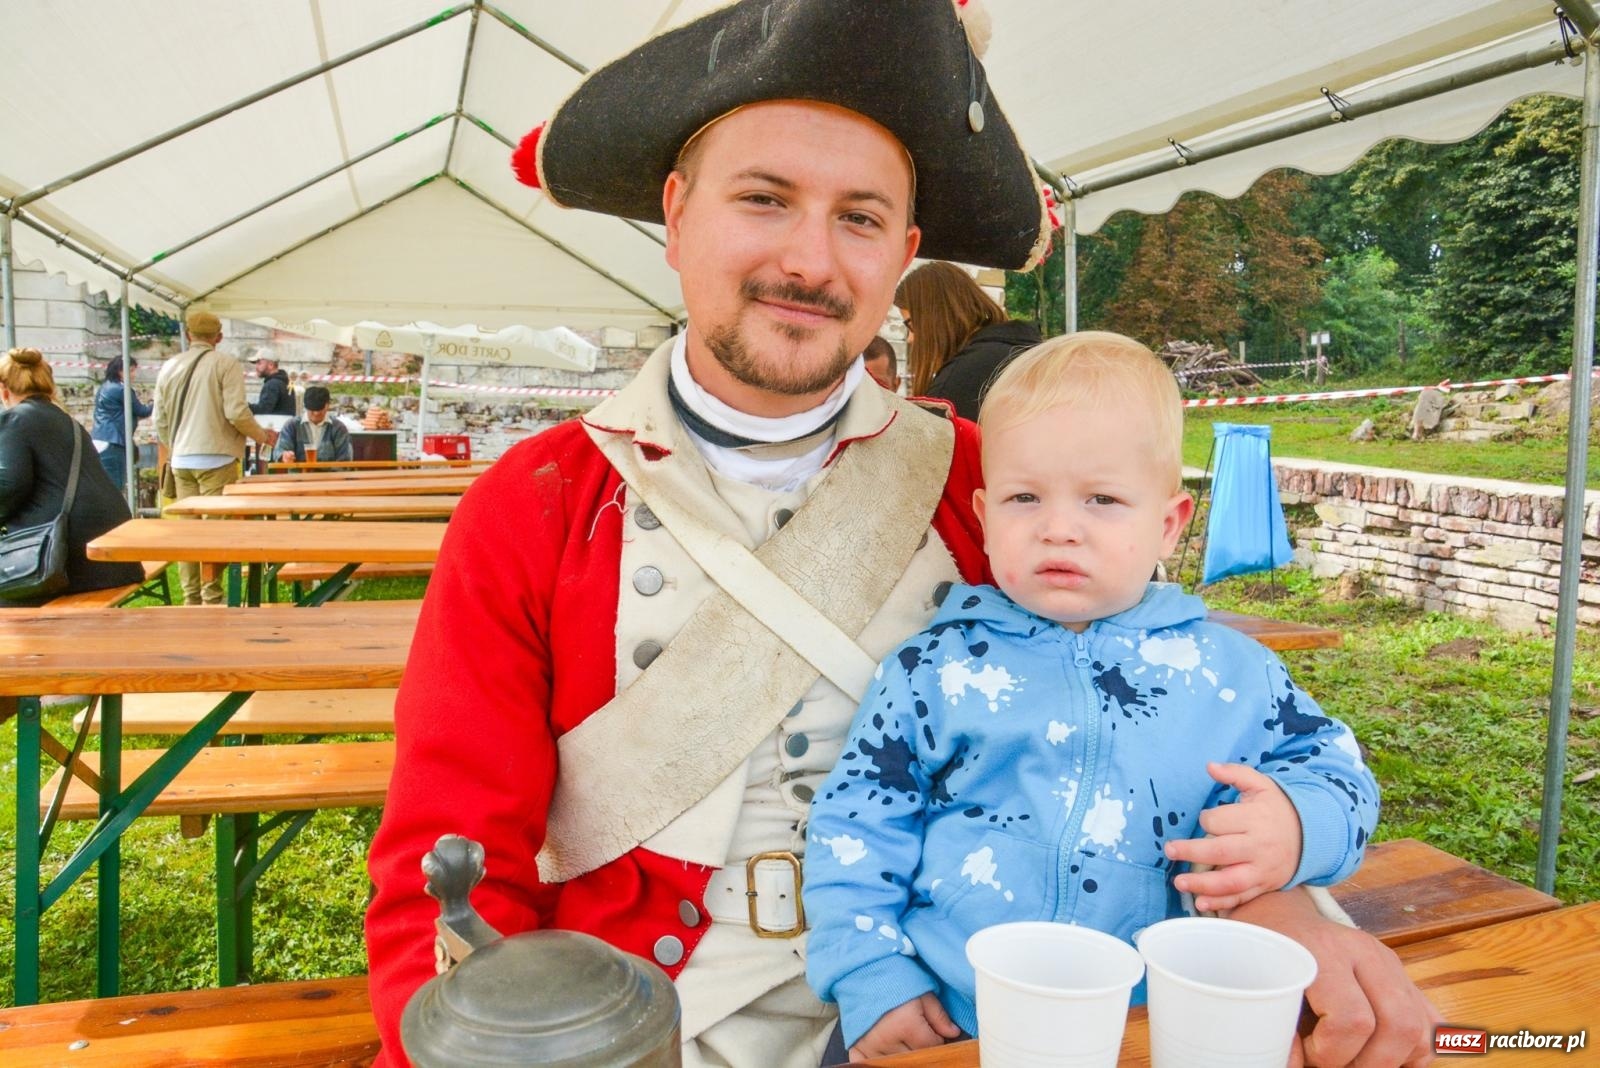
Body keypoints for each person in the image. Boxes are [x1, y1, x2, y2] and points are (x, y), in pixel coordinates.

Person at [364, 3, 1437, 1067]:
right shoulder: (537, 499)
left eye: (860, 218)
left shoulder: (990, 481)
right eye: (764, 199)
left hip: (954, 1010)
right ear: (678, 214)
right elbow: (447, 865)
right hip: (638, 1018)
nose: (810, 260)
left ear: (906, 252)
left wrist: (1280, 899)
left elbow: (1148, 718)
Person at [803, 332, 1380, 1059]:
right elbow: (855, 825)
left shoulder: (1235, 674)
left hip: (1146, 1029)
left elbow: (1340, 771)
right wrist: (871, 977)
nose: (1059, 528)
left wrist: (1300, 827)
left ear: (1168, 525)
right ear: (983, 517)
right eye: (1024, 498)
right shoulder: (929, 670)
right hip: (950, 1021)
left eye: (1102, 499)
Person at [0, 348, 144, 603]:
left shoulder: (16, 419)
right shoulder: (70, 423)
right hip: (111, 555)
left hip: (67, 562)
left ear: (4, 390)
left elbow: (10, 485)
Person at [154, 310, 277, 604]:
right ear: (218, 337)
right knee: (215, 529)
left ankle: (190, 598)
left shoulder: (170, 366)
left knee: (188, 532)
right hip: (217, 457)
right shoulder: (225, 364)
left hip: (181, 459)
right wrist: (262, 436)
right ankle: (212, 597)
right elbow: (235, 412)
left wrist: (175, 445)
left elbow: (159, 418)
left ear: (188, 335)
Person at [894, 259, 1042, 421]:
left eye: (911, 325)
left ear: (932, 319)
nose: (910, 338)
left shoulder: (957, 384)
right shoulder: (1028, 350)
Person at [90, 355, 154, 492]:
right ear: (120, 371)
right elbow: (142, 411)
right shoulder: (122, 390)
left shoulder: (104, 387)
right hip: (114, 440)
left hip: (100, 438)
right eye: (131, 371)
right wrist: (155, 403)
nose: (133, 375)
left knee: (103, 486)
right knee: (115, 486)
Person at [273, 385, 352, 463]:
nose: (316, 413)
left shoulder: (338, 428)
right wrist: (285, 456)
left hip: (329, 475)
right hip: (299, 475)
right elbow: (279, 451)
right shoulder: (292, 425)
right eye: (312, 409)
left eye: (320, 409)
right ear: (306, 406)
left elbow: (345, 459)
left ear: (327, 405)